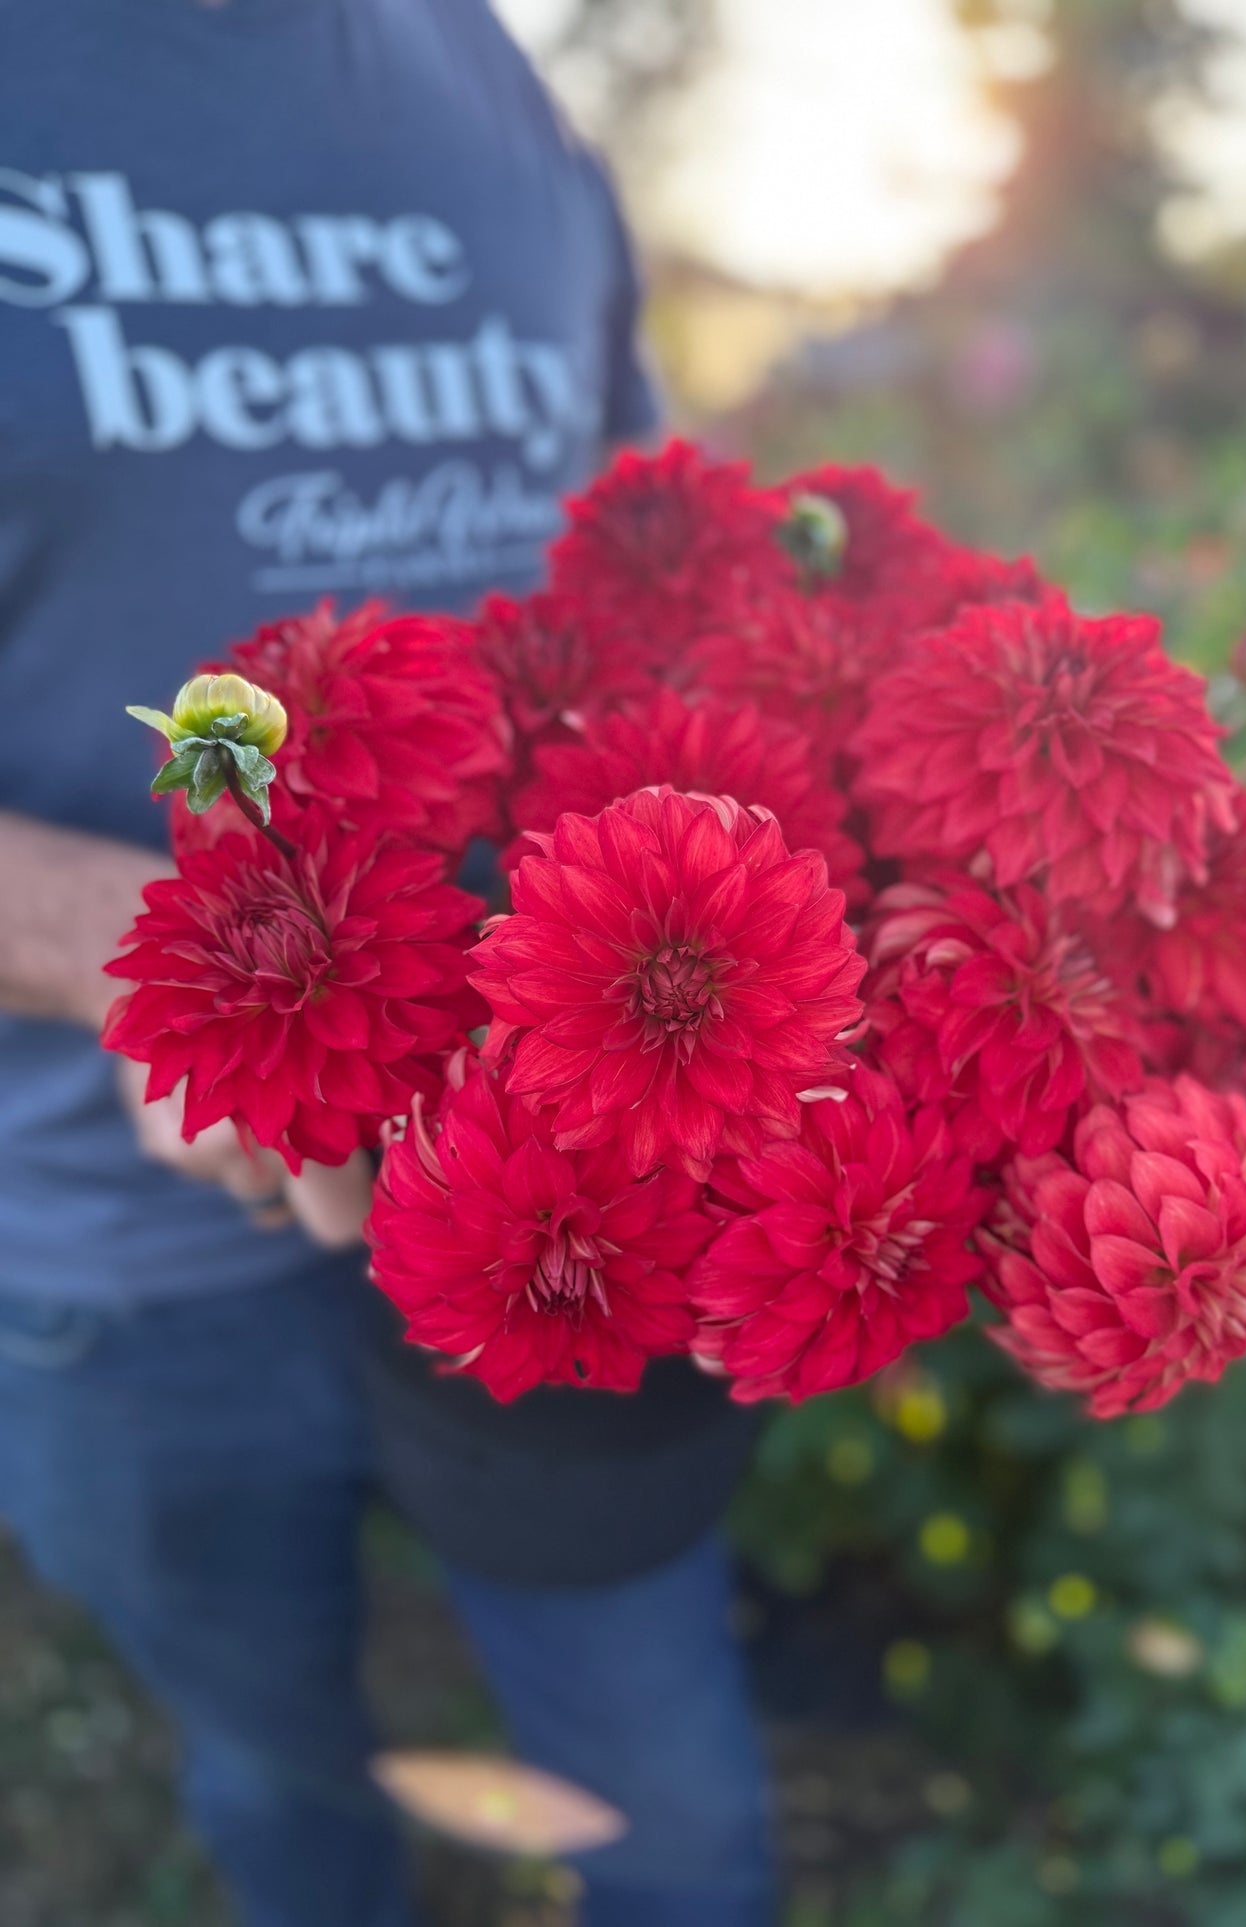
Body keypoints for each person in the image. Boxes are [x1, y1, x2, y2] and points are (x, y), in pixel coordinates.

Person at [0, 4, 776, 1924]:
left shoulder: (478, 72)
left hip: (565, 1182)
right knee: (276, 1770)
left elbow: (636, 553)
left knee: (669, 1811)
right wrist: (112, 942)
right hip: (121, 1249)